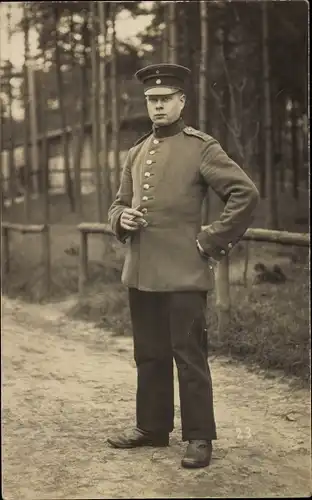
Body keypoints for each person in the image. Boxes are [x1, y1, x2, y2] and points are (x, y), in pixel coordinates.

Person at [107, 63, 260, 469]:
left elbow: (244, 194)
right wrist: (121, 219)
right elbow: (118, 203)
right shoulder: (137, 151)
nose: (157, 107)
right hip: (141, 270)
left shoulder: (201, 147)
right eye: (151, 101)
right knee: (149, 354)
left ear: (181, 102)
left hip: (184, 272)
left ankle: (198, 436)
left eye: (164, 100)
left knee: (188, 354)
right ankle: (152, 429)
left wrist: (211, 240)